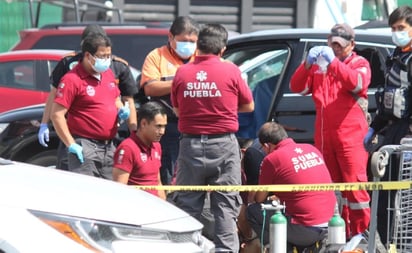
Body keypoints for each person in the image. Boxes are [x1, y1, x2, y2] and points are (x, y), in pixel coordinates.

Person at [170, 23, 254, 253]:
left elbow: (177, 109)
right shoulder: (231, 71)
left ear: (199, 45)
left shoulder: (182, 72)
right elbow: (249, 105)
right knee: (226, 207)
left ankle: (184, 249)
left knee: (187, 205)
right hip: (223, 145)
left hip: (190, 145)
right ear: (223, 49)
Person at [290, 23, 371, 240]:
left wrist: (333, 63)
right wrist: (307, 64)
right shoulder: (319, 66)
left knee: (355, 189)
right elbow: (297, 87)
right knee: (332, 190)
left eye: (339, 45)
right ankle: (339, 235)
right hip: (325, 137)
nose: (334, 47)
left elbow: (358, 83)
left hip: (351, 137)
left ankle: (360, 235)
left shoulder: (359, 63)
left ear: (351, 45)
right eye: (332, 43)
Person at [38, 24, 138, 170]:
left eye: (107, 55)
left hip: (109, 143)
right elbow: (54, 100)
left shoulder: (113, 69)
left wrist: (126, 116)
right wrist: (44, 124)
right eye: (101, 56)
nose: (106, 59)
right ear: (86, 52)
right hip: (81, 140)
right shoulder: (69, 66)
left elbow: (123, 99)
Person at [363, 5, 412, 246]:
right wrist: (375, 127)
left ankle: (402, 245)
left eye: (401, 28)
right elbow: (390, 97)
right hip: (391, 130)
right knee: (381, 195)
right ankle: (393, 245)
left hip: (407, 135)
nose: (396, 33)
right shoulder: (396, 54)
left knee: (403, 200)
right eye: (393, 28)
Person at [246, 122, 335, 251]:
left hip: (305, 229)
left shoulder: (272, 159)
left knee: (253, 211)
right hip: (333, 223)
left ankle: (279, 249)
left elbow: (259, 199)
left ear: (267, 145)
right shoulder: (312, 149)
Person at [140, 16, 200, 185]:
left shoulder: (201, 56)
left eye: (192, 41)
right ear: (171, 37)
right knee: (168, 172)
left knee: (194, 174)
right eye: (183, 40)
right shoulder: (156, 56)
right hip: (168, 126)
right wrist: (180, 82)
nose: (188, 45)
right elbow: (150, 88)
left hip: (196, 126)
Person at [112, 101, 167, 200]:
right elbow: (119, 190)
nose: (162, 131)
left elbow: (157, 181)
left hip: (156, 207)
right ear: (143, 123)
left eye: (164, 126)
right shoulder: (127, 148)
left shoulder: (157, 146)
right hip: (137, 208)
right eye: (158, 126)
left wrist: (164, 206)